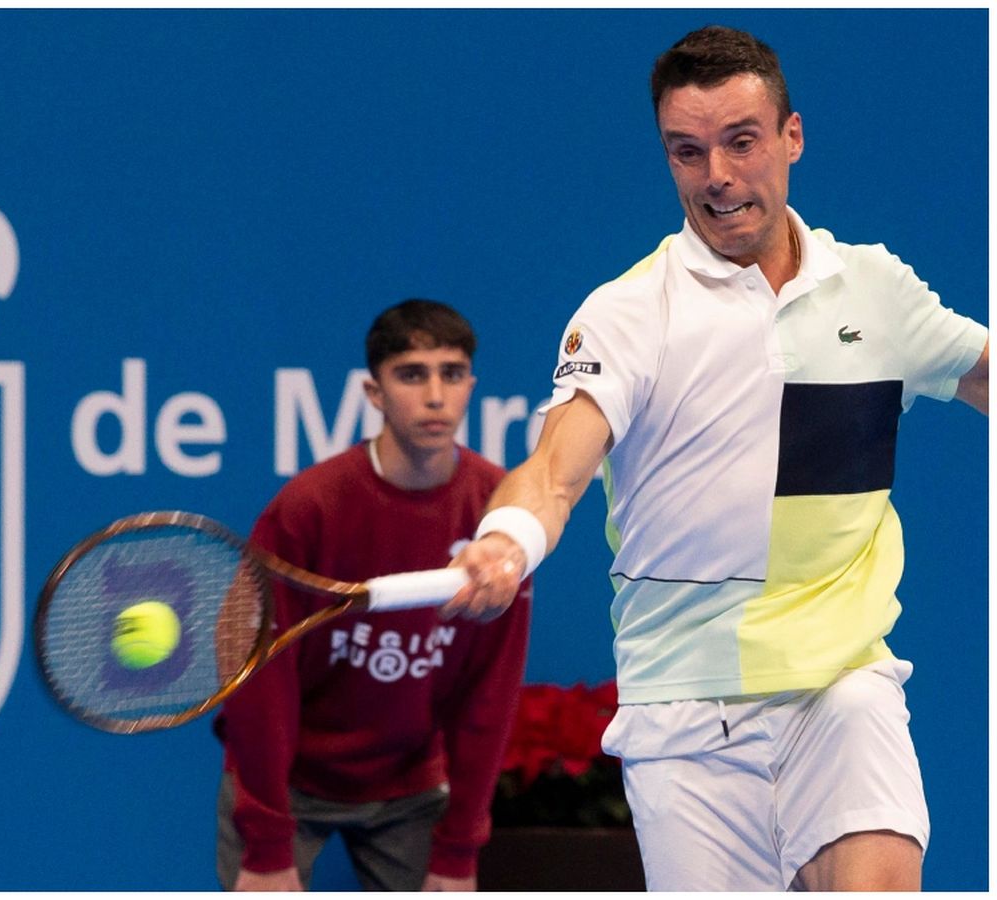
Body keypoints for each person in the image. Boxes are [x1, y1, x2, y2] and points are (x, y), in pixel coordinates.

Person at [443, 26, 989, 892]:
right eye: (687, 152)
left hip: (841, 682)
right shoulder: (628, 314)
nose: (717, 178)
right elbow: (555, 471)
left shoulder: (874, 291)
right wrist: (509, 537)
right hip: (685, 711)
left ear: (791, 138)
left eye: (741, 142)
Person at [214, 300, 531, 891]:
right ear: (374, 392)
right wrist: (266, 843)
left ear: (471, 386)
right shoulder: (309, 508)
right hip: (287, 784)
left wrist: (459, 850)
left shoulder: (502, 515)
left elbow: (490, 691)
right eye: (412, 374)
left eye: (452, 373)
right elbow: (259, 679)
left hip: (411, 789)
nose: (435, 395)